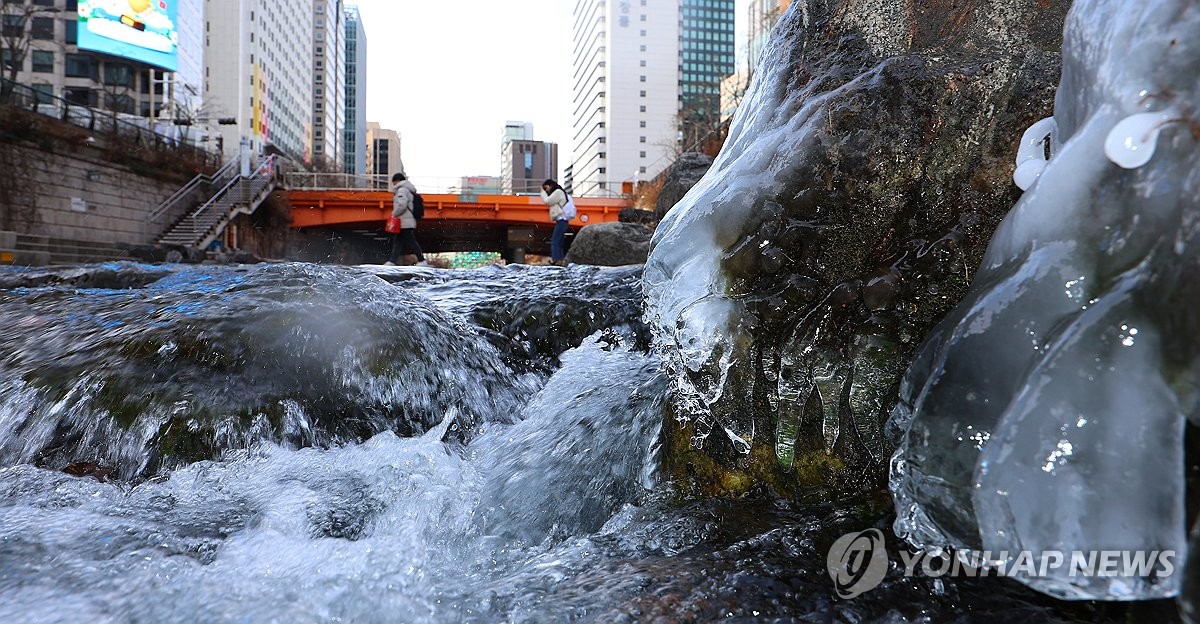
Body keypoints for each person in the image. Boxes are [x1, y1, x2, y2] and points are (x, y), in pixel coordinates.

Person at [385, 172, 428, 266]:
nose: (393, 184)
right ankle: (392, 261)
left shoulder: (402, 190)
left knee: (410, 241)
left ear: (397, 181)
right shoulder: (408, 190)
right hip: (406, 221)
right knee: (399, 242)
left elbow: (402, 205)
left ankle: (422, 260)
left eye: (394, 182)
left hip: (404, 221)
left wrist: (393, 214)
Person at [539, 179, 571, 265]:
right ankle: (560, 260)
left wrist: (542, 193)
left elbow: (548, 201)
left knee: (555, 241)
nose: (546, 190)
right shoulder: (560, 192)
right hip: (563, 220)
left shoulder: (558, 192)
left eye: (546, 188)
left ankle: (556, 259)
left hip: (561, 220)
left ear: (550, 186)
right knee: (559, 241)